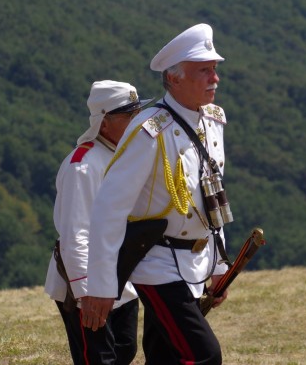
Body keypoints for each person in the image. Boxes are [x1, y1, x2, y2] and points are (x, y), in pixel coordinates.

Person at [83, 24, 231, 365]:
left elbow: (212, 195)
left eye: (215, 69)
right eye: (204, 71)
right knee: (205, 356)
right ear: (174, 78)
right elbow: (109, 207)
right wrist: (103, 286)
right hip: (157, 264)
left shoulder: (213, 121)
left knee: (165, 358)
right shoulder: (150, 128)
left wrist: (220, 262)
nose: (215, 78)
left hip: (195, 262)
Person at [44, 80, 148, 365]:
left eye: (139, 111)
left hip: (120, 277)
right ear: (104, 123)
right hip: (85, 282)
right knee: (98, 359)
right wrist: (86, 294)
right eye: (130, 114)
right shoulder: (83, 166)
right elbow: (74, 235)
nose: (138, 120)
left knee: (125, 350)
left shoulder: (124, 156)